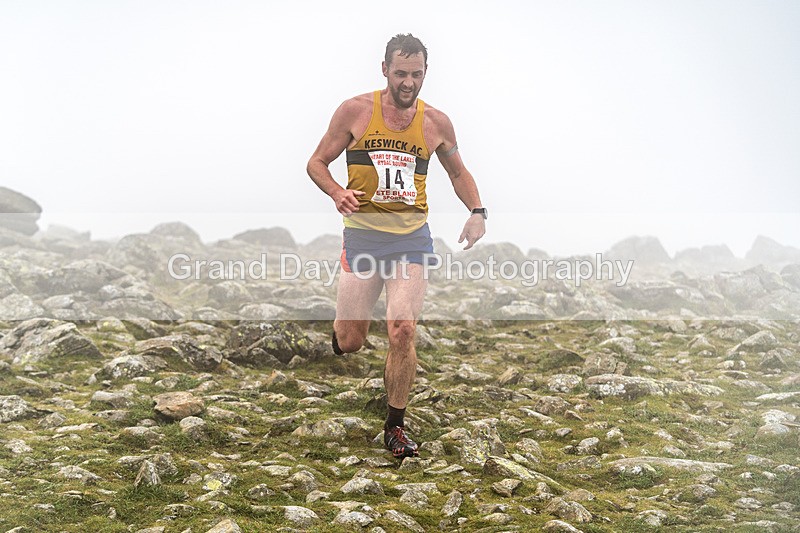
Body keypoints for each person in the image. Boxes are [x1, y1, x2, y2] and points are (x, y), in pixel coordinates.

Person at [306, 33, 487, 459]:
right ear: (384, 69)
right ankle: (341, 333)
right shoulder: (355, 111)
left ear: (426, 73)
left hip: (412, 241)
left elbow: (458, 173)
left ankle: (395, 426)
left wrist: (478, 211)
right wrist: (335, 191)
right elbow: (316, 163)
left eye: (416, 74)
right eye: (401, 73)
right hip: (363, 238)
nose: (408, 82)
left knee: (402, 327)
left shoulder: (436, 123)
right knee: (351, 340)